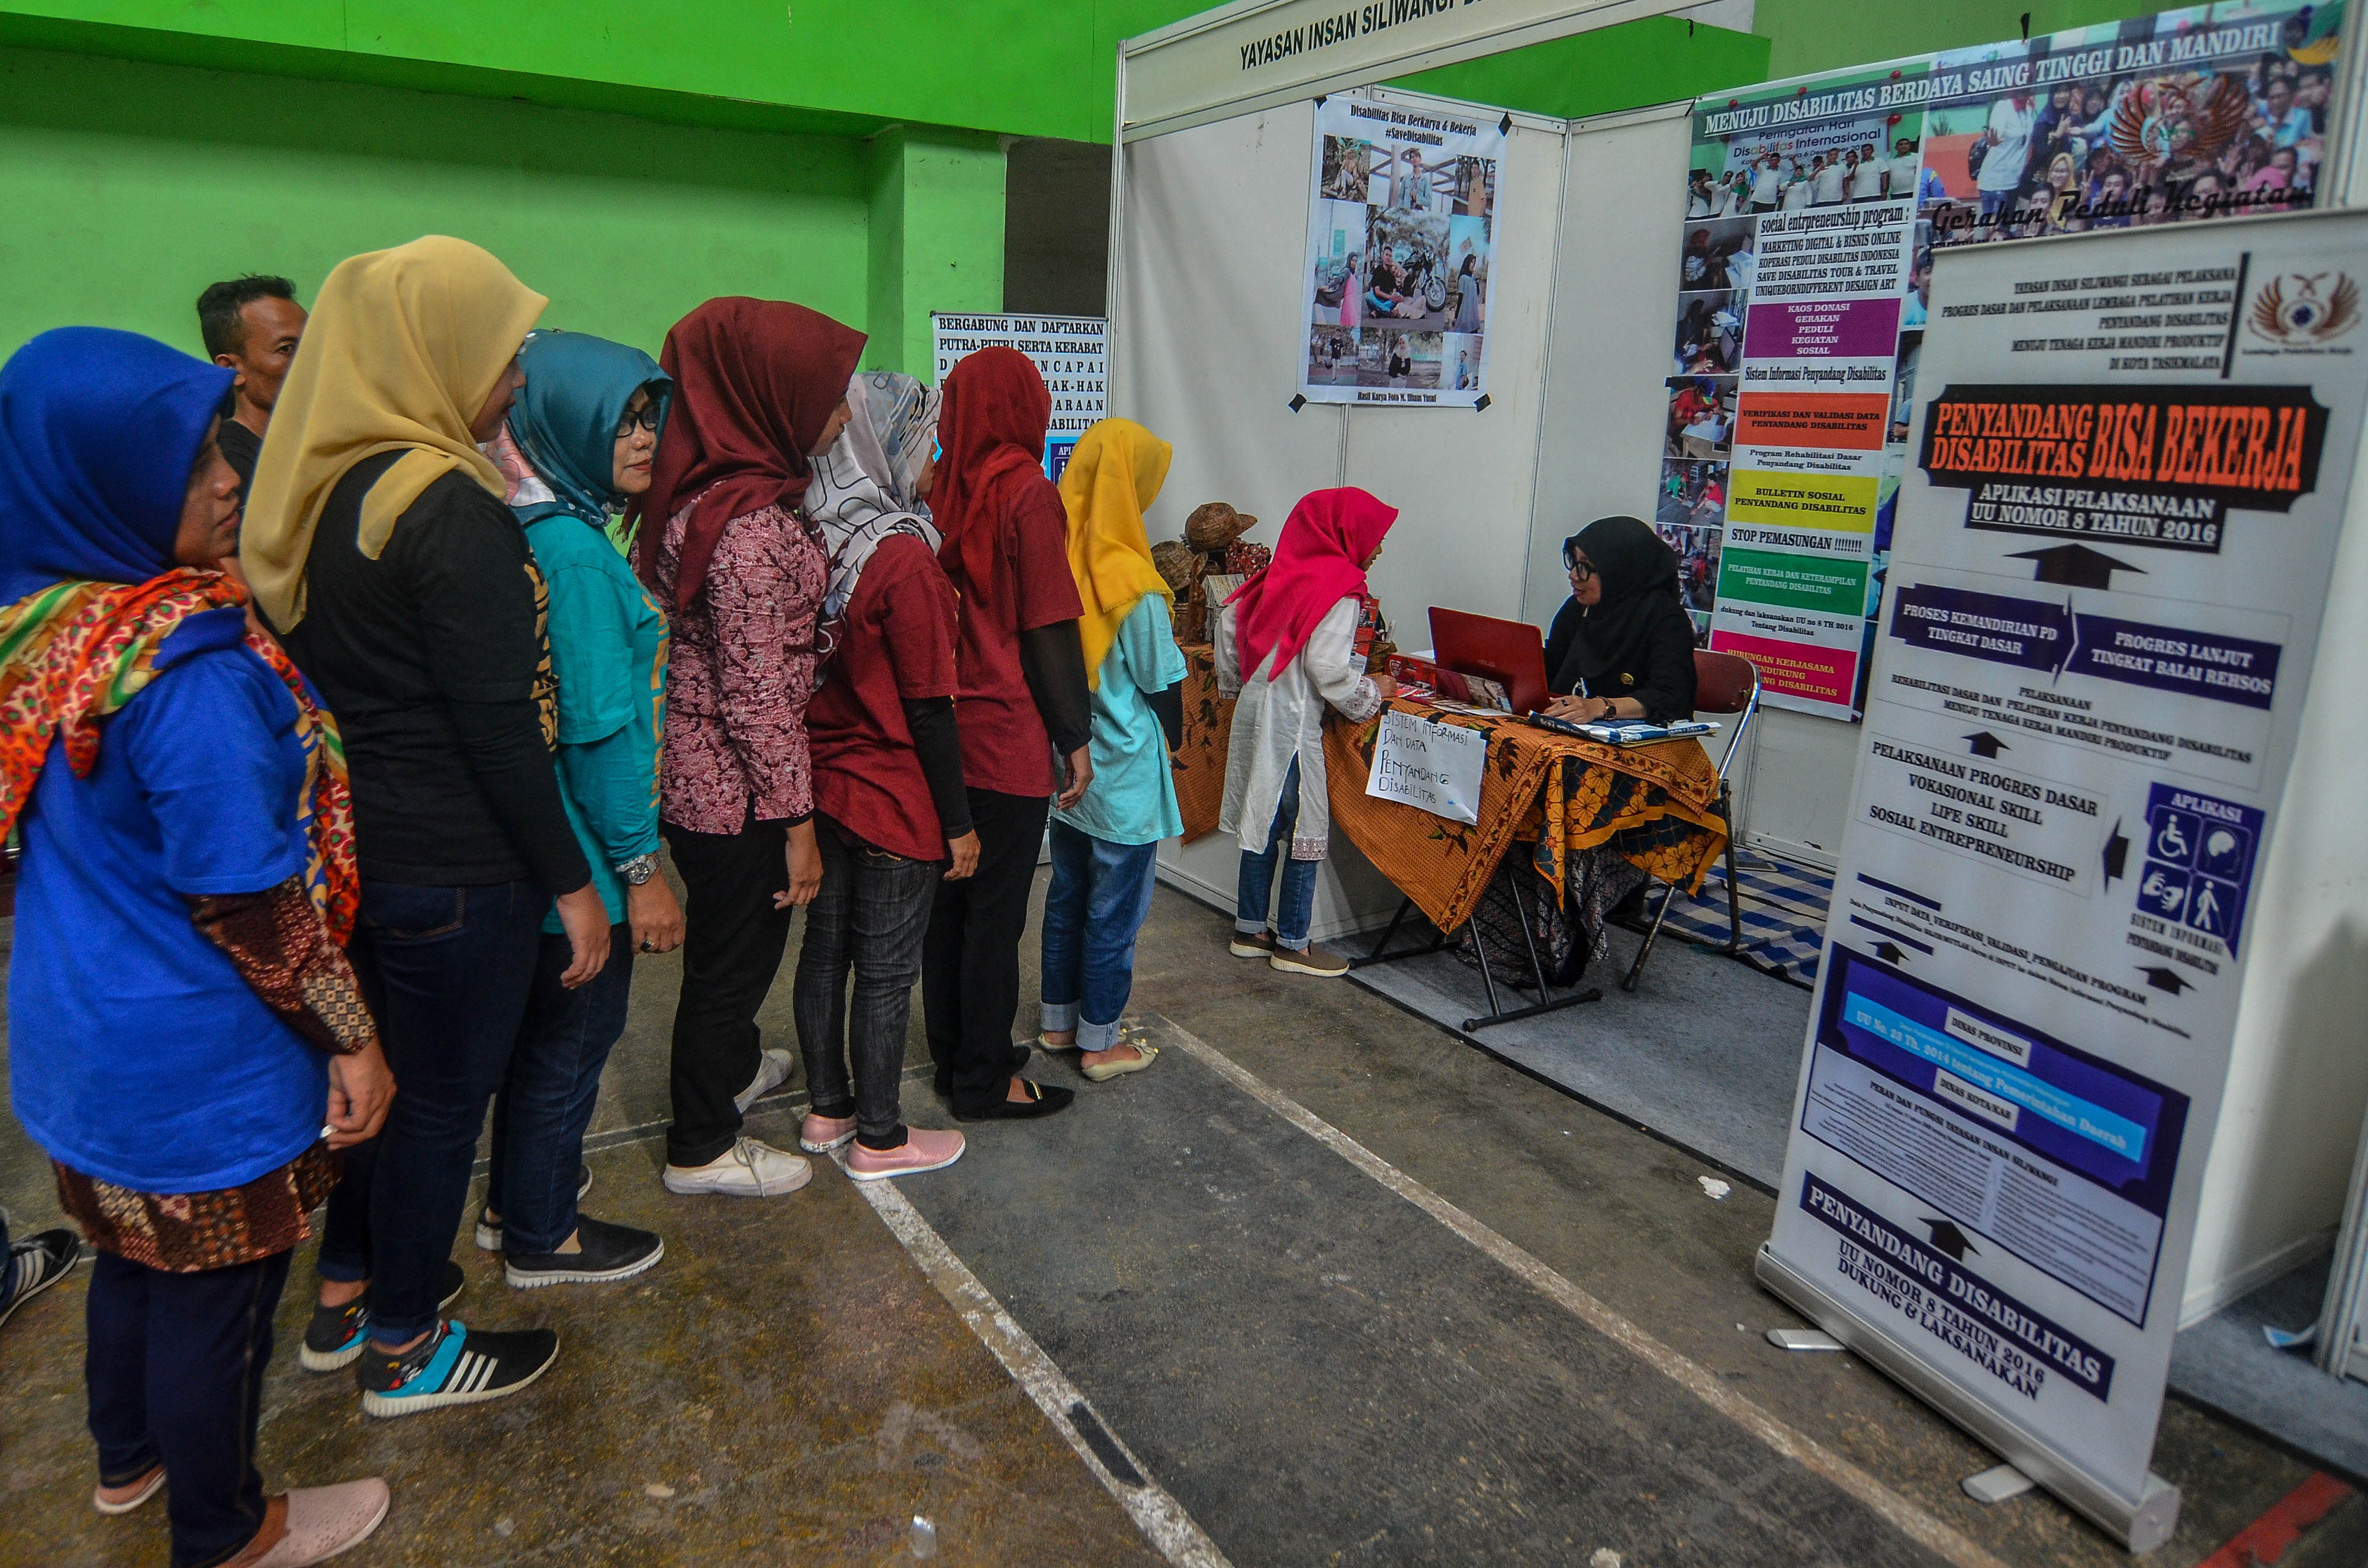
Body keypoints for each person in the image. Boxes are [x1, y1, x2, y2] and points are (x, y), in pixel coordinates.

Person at [4, 326, 394, 1563]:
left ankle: (128, 1458)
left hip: (76, 1034)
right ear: (101, 482)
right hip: (194, 1060)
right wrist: (355, 1038)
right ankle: (225, 1524)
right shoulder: (184, 678)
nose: (229, 479)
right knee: (219, 1295)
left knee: (129, 1255)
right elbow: (255, 905)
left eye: (219, 448)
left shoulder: (48, 622)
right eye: (188, 466)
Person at [243, 235, 597, 1415]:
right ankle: (406, 1343)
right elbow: (500, 729)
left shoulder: (324, 491)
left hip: (366, 856)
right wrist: (573, 883)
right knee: (443, 1104)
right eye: (503, 352)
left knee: (384, 1090)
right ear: (431, 353)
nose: (518, 378)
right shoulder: (446, 506)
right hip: (461, 867)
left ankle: (347, 1293)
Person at [632, 298, 864, 1197]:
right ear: (769, 397)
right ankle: (701, 1144)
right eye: (829, 395)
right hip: (736, 793)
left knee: (732, 954)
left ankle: (731, 1070)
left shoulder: (713, 495)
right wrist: (797, 825)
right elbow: (760, 701)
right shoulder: (750, 530)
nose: (842, 413)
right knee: (731, 966)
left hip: (701, 776)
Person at [472, 329, 679, 1284]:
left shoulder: (532, 524)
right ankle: (543, 1234)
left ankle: (513, 1200)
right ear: (561, 423)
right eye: (620, 421)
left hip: (543, 842)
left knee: (539, 1044)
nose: (642, 438)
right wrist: (642, 870)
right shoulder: (578, 555)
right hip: (588, 855)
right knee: (572, 1046)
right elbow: (600, 736)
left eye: (648, 419)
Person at [793, 370, 976, 1176]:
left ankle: (826, 1110)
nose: (935, 461)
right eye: (926, 443)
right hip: (893, 795)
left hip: (826, 783)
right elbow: (931, 707)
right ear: (888, 447)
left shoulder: (819, 537)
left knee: (824, 954)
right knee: (888, 972)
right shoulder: (905, 558)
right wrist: (959, 824)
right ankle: (880, 1135)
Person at [925, 346, 1093, 1122]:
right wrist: (1074, 736)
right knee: (997, 918)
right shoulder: (1027, 491)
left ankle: (960, 1053)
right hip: (1006, 733)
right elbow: (1047, 624)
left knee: (951, 911)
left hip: (943, 734)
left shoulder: (938, 488)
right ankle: (985, 1081)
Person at [1035, 418, 1187, 1081]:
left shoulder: (1055, 560)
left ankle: (1058, 1021)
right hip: (1122, 774)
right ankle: (1100, 1042)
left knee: (1067, 896)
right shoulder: (1132, 579)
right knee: (1114, 911)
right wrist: (1175, 741)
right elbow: (1160, 678)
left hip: (1069, 767)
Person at [1218, 488, 1398, 977]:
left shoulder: (1279, 574)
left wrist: (1240, 683)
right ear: (1346, 534)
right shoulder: (1343, 586)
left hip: (1257, 714)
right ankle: (1293, 943)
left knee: (1262, 821)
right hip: (1294, 724)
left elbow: (1229, 621)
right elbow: (1327, 667)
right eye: (1375, 537)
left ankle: (1250, 928)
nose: (1380, 548)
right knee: (1304, 831)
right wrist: (1372, 692)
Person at [1540, 517, 1699, 725]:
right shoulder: (1578, 609)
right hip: (1589, 731)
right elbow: (1551, 668)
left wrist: (1599, 707)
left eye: (1585, 567)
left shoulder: (1666, 618)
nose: (1573, 575)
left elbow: (1670, 698)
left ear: (1618, 570)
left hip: (1647, 736)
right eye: (1573, 562)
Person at [196, 275, 307, 493]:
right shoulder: (231, 470)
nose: (313, 359)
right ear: (231, 369)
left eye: (313, 343)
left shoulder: (325, 442)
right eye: (287, 349)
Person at [1979, 90, 2037, 226]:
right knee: (1995, 231)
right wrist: (1992, 141)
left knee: (2007, 230)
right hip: (1996, 182)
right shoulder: (2003, 107)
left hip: (2015, 182)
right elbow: (1996, 132)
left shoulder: (2029, 108)